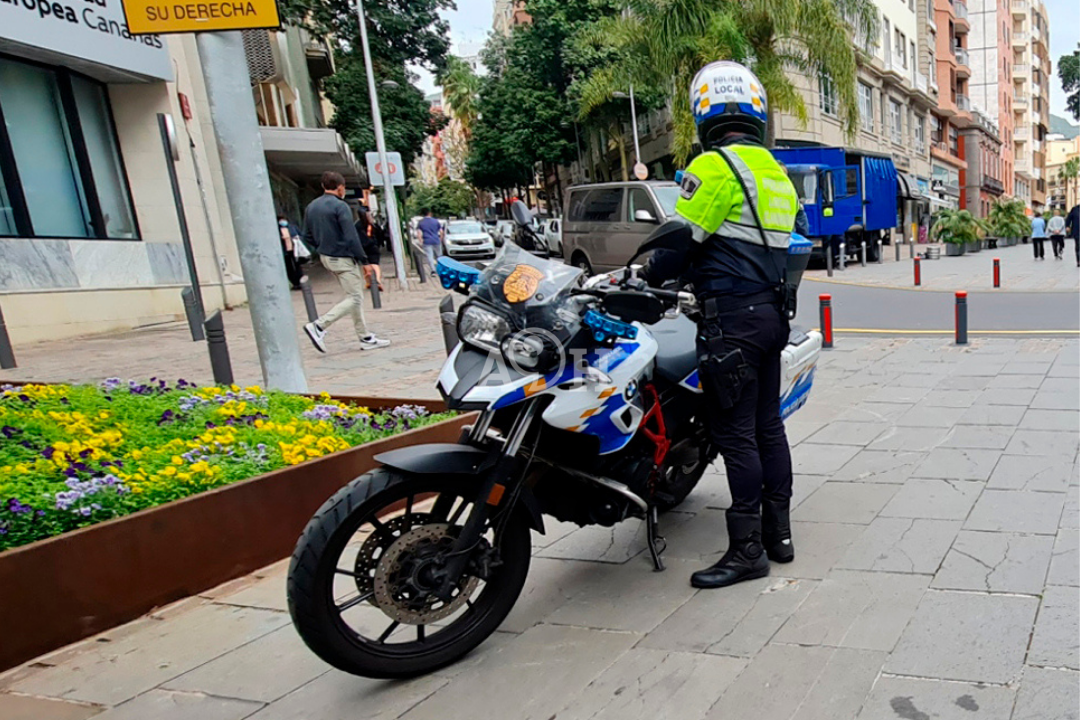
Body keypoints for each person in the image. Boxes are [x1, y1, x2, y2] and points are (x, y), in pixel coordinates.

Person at [640, 61, 799, 589]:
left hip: (731, 322)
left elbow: (682, 240)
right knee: (768, 426)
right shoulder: (776, 173)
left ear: (704, 115)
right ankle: (779, 536)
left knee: (735, 434)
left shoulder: (713, 167)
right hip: (772, 315)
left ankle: (747, 551)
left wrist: (647, 273)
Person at [301, 172, 390, 353]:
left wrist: (322, 247)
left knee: (353, 295)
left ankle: (365, 337)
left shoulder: (311, 206)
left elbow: (306, 235)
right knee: (355, 297)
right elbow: (351, 236)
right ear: (341, 187)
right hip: (343, 258)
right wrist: (364, 261)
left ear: (323, 186)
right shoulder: (340, 207)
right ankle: (319, 326)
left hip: (327, 257)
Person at [355, 205, 384, 292]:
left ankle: (368, 282)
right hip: (373, 247)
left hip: (362, 248)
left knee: (365, 265)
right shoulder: (372, 224)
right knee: (375, 264)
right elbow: (380, 234)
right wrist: (379, 244)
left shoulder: (357, 225)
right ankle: (377, 280)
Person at [278, 216, 303, 290]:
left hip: (294, 250)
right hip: (285, 251)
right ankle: (295, 283)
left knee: (297, 266)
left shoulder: (292, 227)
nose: (283, 222)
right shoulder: (277, 230)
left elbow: (300, 235)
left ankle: (300, 282)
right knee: (289, 268)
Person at [416, 208, 443, 273]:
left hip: (427, 241)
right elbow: (441, 231)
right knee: (439, 256)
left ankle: (433, 270)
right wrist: (440, 239)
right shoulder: (435, 221)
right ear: (429, 213)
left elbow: (419, 233)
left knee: (429, 256)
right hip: (436, 240)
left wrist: (420, 241)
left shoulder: (421, 222)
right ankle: (441, 269)